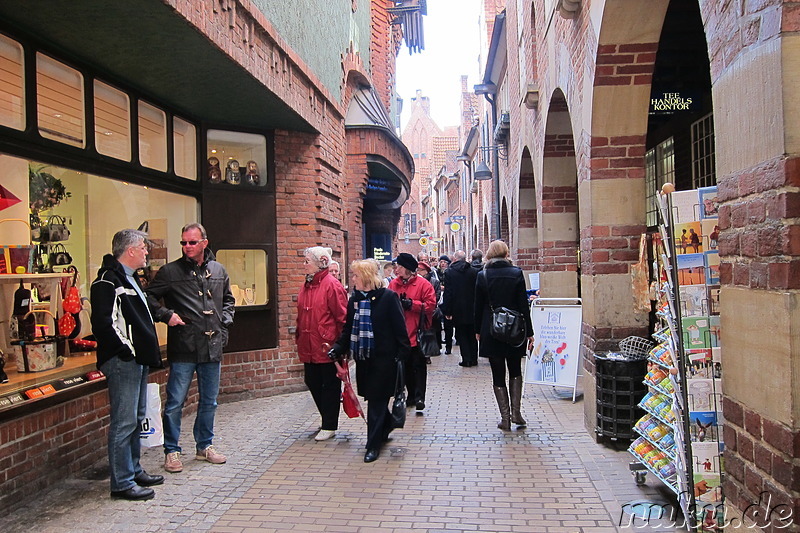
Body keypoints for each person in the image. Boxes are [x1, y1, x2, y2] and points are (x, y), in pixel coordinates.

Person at [146, 223, 235, 473]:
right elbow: (148, 297)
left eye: (192, 242)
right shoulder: (169, 271)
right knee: (175, 401)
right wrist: (167, 315)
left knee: (210, 401)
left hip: (212, 346)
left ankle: (204, 445)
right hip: (183, 346)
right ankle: (172, 451)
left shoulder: (218, 270)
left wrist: (224, 322)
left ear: (204, 243)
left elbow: (228, 300)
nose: (187, 247)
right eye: (183, 242)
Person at [91, 229, 163, 500]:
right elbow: (103, 323)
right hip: (124, 362)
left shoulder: (131, 279)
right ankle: (121, 482)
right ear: (130, 250)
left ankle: (133, 470)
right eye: (143, 248)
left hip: (137, 360)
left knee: (135, 419)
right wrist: (126, 351)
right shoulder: (107, 281)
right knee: (124, 422)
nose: (146, 252)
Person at [329, 259, 410, 463]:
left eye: (355, 275)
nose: (352, 279)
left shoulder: (389, 298)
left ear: (366, 277)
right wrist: (338, 348)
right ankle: (387, 426)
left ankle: (372, 445)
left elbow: (400, 329)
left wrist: (403, 354)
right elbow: (348, 330)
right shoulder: (354, 299)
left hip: (384, 360)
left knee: (376, 402)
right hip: (364, 359)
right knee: (376, 401)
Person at [474, 240, 534, 431]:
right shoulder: (516, 273)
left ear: (489, 255)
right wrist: (530, 332)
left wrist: (477, 330)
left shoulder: (482, 275)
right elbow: (523, 305)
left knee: (497, 373)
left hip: (491, 330)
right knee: (515, 369)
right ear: (506, 253)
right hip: (515, 329)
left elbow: (478, 306)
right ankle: (517, 413)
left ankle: (505, 418)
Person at [295, 246, 348, 440]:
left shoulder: (332, 285)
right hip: (309, 344)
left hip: (327, 345)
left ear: (320, 263)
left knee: (330, 385)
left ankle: (329, 424)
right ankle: (326, 418)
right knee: (312, 380)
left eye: (307, 261)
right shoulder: (307, 285)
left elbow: (342, 317)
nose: (304, 264)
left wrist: (341, 345)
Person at [388, 253, 436, 411]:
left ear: (408, 269)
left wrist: (412, 305)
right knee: (405, 366)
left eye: (400, 267)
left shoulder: (423, 284)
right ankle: (409, 396)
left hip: (417, 332)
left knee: (418, 367)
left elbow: (430, 305)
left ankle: (420, 396)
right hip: (399, 334)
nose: (397, 269)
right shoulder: (394, 284)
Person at [441, 250, 479, 367]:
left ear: (455, 259)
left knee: (461, 333)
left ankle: (466, 358)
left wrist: (447, 310)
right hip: (472, 307)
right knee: (472, 333)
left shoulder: (450, 272)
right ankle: (474, 358)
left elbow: (448, 293)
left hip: (457, 308)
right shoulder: (474, 272)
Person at [416, 261, 441, 364]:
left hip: (429, 311)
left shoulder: (434, 282)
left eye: (420, 270)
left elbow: (437, 296)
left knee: (429, 333)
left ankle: (427, 354)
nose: (418, 272)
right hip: (418, 310)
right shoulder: (416, 281)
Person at [435, 255, 453, 354]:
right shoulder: (436, 273)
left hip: (447, 301)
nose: (442, 264)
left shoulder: (450, 272)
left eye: (444, 262)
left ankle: (448, 345)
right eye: (441, 262)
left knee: (448, 324)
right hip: (439, 300)